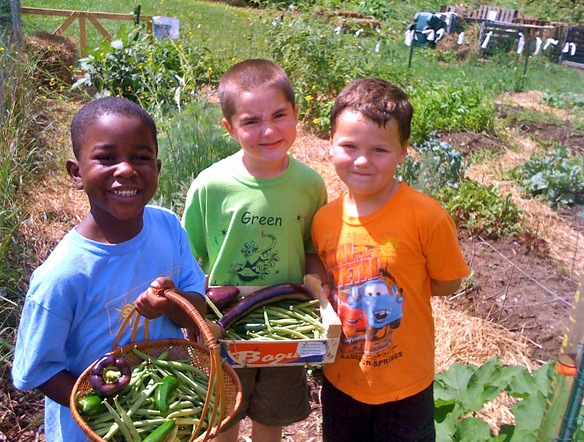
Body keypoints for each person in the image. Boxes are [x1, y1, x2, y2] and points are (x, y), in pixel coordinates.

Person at [11, 97, 207, 441]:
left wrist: (174, 301)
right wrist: (111, 412)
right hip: (96, 431)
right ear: (76, 173)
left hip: (167, 421)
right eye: (106, 158)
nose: (127, 169)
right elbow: (37, 369)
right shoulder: (63, 275)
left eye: (141, 157)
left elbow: (198, 311)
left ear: (158, 168)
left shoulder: (168, 228)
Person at [311, 78, 470, 442]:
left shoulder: (426, 217)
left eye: (380, 150)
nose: (363, 160)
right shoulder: (324, 220)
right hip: (341, 380)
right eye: (349, 145)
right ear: (331, 143)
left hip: (405, 384)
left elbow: (448, 283)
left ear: (403, 152)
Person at [181, 58, 328, 442]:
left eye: (280, 115)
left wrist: (322, 292)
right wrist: (189, 316)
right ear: (230, 128)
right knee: (222, 416)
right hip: (224, 321)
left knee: (271, 415)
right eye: (250, 121)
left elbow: (312, 249)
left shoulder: (309, 185)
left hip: (285, 324)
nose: (268, 130)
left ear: (297, 114)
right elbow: (188, 257)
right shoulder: (211, 185)